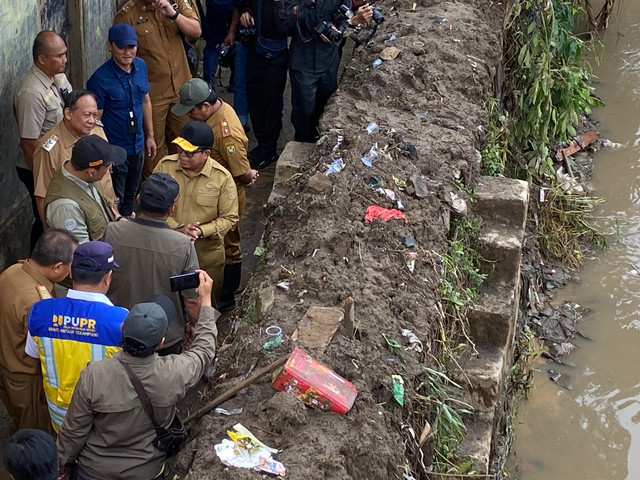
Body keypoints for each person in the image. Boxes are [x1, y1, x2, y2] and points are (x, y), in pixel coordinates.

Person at [57, 272, 218, 480]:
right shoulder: (174, 373)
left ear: (123, 329)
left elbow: (73, 432)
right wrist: (205, 300)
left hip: (93, 471)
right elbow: (204, 350)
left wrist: (61, 465)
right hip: (147, 471)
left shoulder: (94, 375)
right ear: (160, 342)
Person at [26, 241, 129, 431]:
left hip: (59, 418)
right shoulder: (121, 320)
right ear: (108, 277)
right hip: (102, 420)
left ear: (71, 273)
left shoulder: (40, 312)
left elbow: (33, 355)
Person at [173, 79, 256, 309]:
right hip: (208, 184)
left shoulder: (225, 133)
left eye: (191, 112)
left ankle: (226, 297)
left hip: (225, 190)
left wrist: (250, 176)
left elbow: (241, 171)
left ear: (205, 107)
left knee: (227, 241)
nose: (189, 116)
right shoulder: (218, 110)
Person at [104, 173, 200, 355]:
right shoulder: (182, 245)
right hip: (164, 336)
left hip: (118, 330)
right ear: (171, 209)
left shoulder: (112, 232)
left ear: (139, 199)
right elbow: (191, 299)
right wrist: (194, 325)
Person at [0, 229, 77, 435]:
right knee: (36, 434)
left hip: (7, 367)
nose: (71, 273)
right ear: (57, 266)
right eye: (70, 267)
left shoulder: (12, 271)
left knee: (18, 419)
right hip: (27, 379)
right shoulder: (37, 304)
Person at [115, 0, 202, 178]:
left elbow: (196, 31)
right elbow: (122, 58)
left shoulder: (176, 3)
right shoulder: (127, 15)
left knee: (186, 144)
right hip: (152, 96)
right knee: (152, 150)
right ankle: (154, 192)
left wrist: (174, 14)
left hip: (181, 90)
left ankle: (183, 186)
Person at [154, 120, 239, 302]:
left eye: (190, 153)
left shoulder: (222, 178)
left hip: (206, 259)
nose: (182, 156)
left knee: (205, 306)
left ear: (206, 154)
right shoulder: (164, 167)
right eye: (179, 150)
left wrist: (200, 231)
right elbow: (151, 206)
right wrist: (178, 228)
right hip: (168, 253)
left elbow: (230, 218)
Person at [276, 0, 371, 142]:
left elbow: (345, 19)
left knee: (326, 108)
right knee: (303, 112)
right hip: (302, 61)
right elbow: (284, 27)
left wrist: (348, 24)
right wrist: (307, 5)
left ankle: (321, 146)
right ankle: (303, 144)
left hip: (329, 61)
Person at [87, 23, 157, 217]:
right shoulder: (99, 79)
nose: (128, 52)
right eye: (122, 46)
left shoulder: (141, 66)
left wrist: (150, 136)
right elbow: (95, 121)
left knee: (132, 193)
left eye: (131, 47)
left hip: (138, 144)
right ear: (110, 46)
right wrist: (104, 156)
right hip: (115, 150)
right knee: (114, 198)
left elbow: (146, 101)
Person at [14, 31, 73, 249]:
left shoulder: (58, 76)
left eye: (65, 54)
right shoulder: (31, 93)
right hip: (38, 167)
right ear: (42, 59)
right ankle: (38, 260)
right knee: (46, 219)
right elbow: (29, 143)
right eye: (59, 56)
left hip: (58, 162)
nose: (65, 60)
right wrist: (42, 180)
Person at [33, 89, 117, 225]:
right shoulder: (50, 149)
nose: (92, 121)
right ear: (68, 113)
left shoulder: (97, 130)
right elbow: (43, 196)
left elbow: (107, 178)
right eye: (87, 115)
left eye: (95, 115)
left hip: (107, 216)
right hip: (75, 223)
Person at [44, 134, 126, 243]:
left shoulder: (78, 171)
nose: (110, 168)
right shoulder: (66, 207)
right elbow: (82, 253)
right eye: (107, 166)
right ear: (91, 172)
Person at [237, 0, 288, 168]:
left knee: (271, 104)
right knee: (255, 100)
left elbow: (288, 24)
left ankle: (269, 149)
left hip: (275, 54)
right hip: (253, 50)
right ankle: (262, 144)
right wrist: (245, 10)